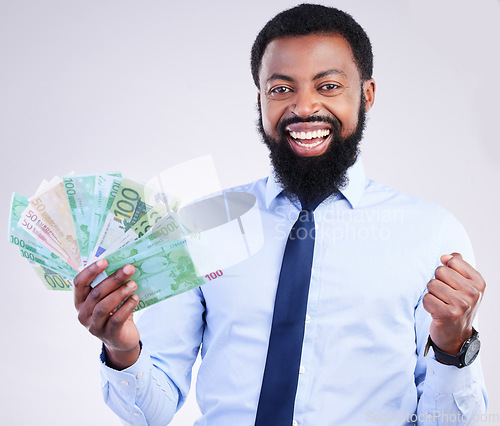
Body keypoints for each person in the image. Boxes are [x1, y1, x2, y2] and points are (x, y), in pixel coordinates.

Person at [74, 4, 487, 425]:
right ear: (260, 100)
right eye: (281, 89)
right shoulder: (202, 225)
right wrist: (121, 346)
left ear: (366, 94)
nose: (304, 107)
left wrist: (454, 347)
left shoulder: (431, 235)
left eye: (327, 86)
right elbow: (151, 412)